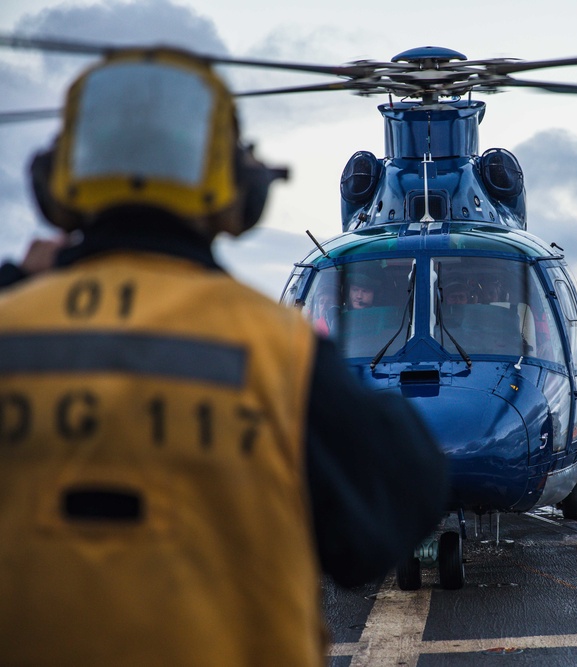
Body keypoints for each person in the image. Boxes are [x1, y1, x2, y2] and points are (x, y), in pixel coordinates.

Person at [0, 48, 447, 666]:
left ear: (52, 183)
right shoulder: (272, 348)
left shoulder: (13, 329)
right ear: (241, 191)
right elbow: (402, 499)